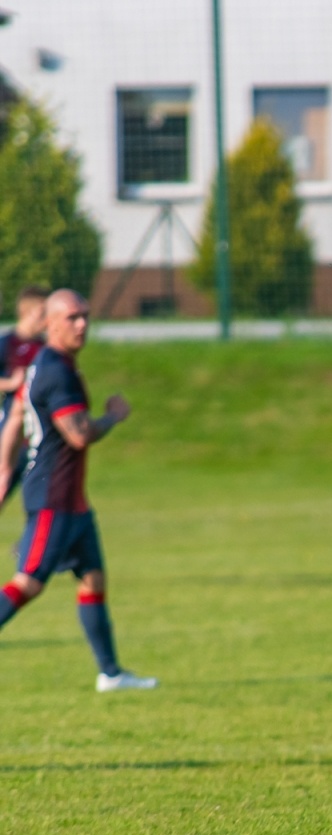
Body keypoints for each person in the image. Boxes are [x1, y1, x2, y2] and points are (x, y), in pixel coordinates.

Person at [0, 289, 155, 692]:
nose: (82, 324)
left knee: (93, 581)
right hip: (53, 498)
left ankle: (111, 674)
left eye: (85, 316)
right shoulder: (56, 371)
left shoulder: (46, 363)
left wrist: (3, 467)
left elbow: (17, 412)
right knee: (27, 583)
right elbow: (79, 435)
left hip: (72, 502)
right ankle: (111, 673)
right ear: (50, 323)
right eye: (72, 317)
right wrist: (113, 417)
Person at [0, 285, 50, 507]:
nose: (48, 320)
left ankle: (32, 541)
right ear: (31, 311)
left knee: (42, 496)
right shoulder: (6, 343)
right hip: (10, 431)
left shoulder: (45, 348)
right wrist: (11, 384)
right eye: (44, 313)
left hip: (38, 433)